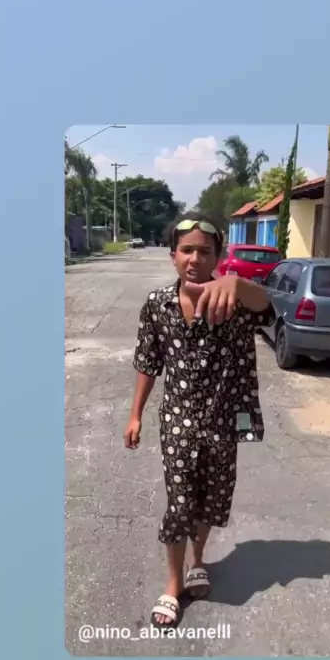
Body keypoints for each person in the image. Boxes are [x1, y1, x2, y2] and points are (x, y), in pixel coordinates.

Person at [124, 212, 275, 627]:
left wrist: (238, 283)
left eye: (205, 251)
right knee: (179, 503)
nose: (195, 258)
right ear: (173, 255)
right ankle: (173, 583)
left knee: (211, 500)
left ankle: (198, 561)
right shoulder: (157, 305)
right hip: (177, 422)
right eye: (187, 250)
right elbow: (148, 362)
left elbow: (268, 311)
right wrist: (135, 415)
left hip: (224, 423)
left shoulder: (235, 302)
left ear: (217, 257)